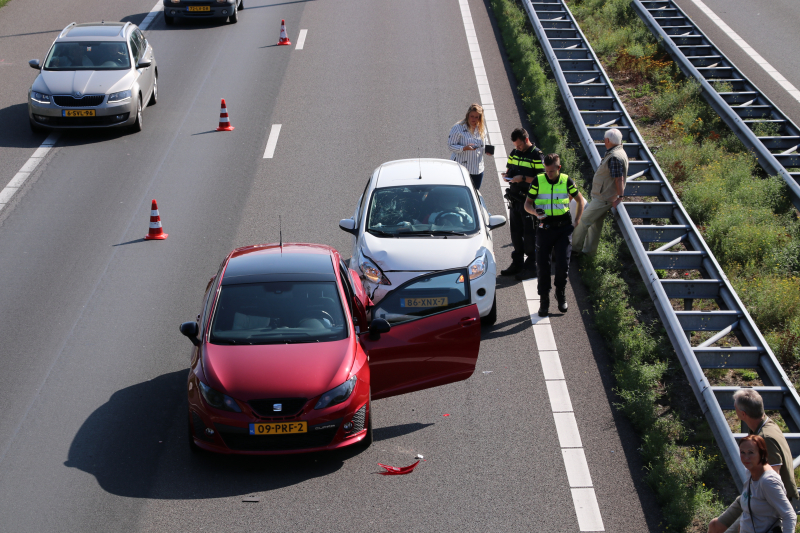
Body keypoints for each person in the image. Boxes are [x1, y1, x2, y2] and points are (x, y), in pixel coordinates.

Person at [709, 389, 799, 533]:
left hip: (765, 501)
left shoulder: (765, 438)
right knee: (715, 526)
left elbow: (772, 480)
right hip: (750, 493)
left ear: (743, 414)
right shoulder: (761, 427)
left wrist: (747, 519)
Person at [524, 153, 584, 317]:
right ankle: (544, 301)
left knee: (563, 265)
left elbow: (580, 200)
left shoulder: (567, 181)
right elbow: (527, 204)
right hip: (544, 228)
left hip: (564, 228)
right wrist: (535, 212)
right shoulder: (538, 181)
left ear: (559, 168)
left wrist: (577, 221)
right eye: (546, 170)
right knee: (543, 266)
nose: (548, 174)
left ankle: (560, 292)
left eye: (551, 171)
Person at [708, 435, 796, 533]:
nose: (746, 457)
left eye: (751, 453)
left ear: (762, 454)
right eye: (742, 452)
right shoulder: (750, 472)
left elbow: (789, 515)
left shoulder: (768, 481)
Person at [571, 128, 627, 256]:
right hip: (604, 196)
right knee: (595, 224)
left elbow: (619, 179)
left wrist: (620, 197)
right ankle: (589, 252)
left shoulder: (614, 156)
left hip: (604, 198)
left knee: (584, 220)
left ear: (607, 140)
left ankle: (574, 249)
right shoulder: (619, 152)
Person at [499, 127, 544, 281]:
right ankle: (517, 263)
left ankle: (531, 266)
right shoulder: (514, 153)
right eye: (515, 146)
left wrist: (523, 179)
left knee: (529, 235)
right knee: (516, 234)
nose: (517, 148)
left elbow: (542, 179)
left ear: (526, 140)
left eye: (519, 145)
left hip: (529, 201)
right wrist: (508, 176)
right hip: (515, 199)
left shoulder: (537, 155)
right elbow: (510, 170)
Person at [448, 104, 488, 189]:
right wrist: (464, 148)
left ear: (480, 117)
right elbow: (450, 146)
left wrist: (487, 149)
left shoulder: (482, 128)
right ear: (467, 115)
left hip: (477, 169)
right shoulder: (458, 127)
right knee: (460, 195)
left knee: (474, 196)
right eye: (471, 116)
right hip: (461, 169)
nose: (473, 119)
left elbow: (485, 143)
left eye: (476, 117)